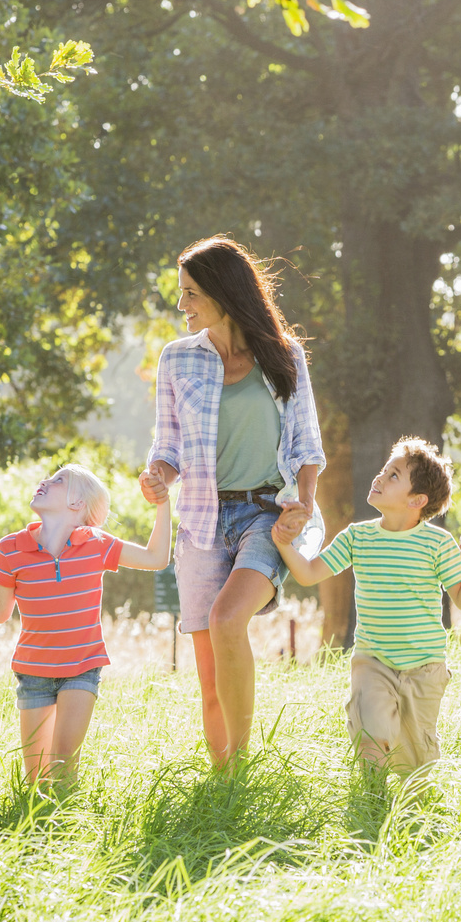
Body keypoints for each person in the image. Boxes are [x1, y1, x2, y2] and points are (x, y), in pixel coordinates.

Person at [140, 236, 326, 768]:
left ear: (223, 291)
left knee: (227, 621)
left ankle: (243, 766)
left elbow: (307, 446)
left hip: (266, 515)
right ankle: (224, 783)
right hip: (200, 520)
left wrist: (304, 505)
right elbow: (168, 446)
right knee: (208, 675)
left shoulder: (283, 354)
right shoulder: (177, 360)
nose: (182, 306)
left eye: (191, 293)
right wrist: (157, 475)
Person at [272, 438, 461, 782]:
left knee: (414, 767)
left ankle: (407, 818)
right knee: (371, 736)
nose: (380, 477)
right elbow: (310, 573)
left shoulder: (437, 544)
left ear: (417, 501)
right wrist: (284, 544)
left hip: (424, 668)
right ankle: (371, 804)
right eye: (384, 470)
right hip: (373, 662)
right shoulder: (357, 537)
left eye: (394, 476)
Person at [0, 464, 172, 787]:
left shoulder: (96, 544)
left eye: (59, 481)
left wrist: (163, 504)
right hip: (34, 674)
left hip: (82, 666)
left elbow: (156, 558)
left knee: (63, 762)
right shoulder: (12, 549)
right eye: (49, 478)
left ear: (77, 505)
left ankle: (66, 831)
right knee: (35, 782)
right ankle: (37, 834)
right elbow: (0, 611)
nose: (45, 481)